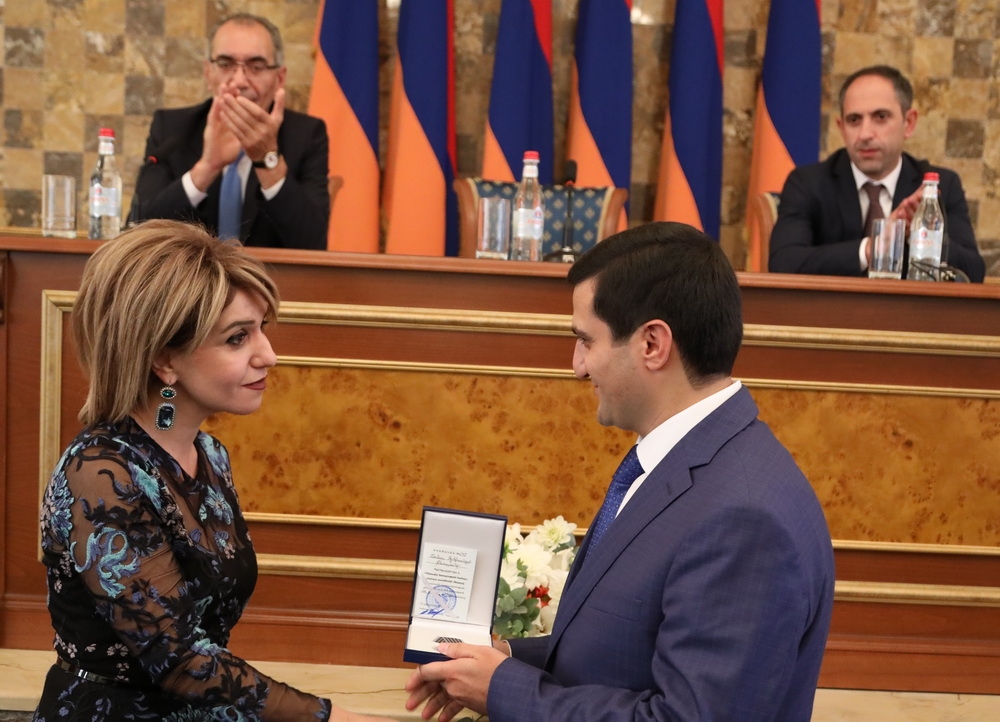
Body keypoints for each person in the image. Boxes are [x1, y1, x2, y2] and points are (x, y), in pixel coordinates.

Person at [405, 222, 836, 721]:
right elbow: (624, 651)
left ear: (652, 343)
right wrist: (503, 662)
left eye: (586, 341)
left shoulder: (743, 517)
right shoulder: (683, 458)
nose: (577, 367)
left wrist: (505, 689)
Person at [33, 220, 387, 722]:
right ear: (164, 359)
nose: (269, 355)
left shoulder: (210, 454)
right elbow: (180, 660)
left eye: (262, 329)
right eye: (238, 338)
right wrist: (329, 717)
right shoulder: (100, 474)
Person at [128, 13, 330, 250]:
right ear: (208, 73)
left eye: (256, 67)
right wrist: (206, 168)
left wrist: (268, 161)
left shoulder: (306, 135)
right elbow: (137, 234)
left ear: (279, 78)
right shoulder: (171, 128)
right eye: (225, 65)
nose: (240, 81)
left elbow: (313, 243)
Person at [769, 65, 986, 282]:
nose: (865, 134)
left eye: (880, 117)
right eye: (854, 120)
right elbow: (783, 263)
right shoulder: (808, 183)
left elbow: (973, 272)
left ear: (909, 123)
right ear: (841, 127)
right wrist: (872, 248)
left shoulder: (939, 186)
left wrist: (919, 234)